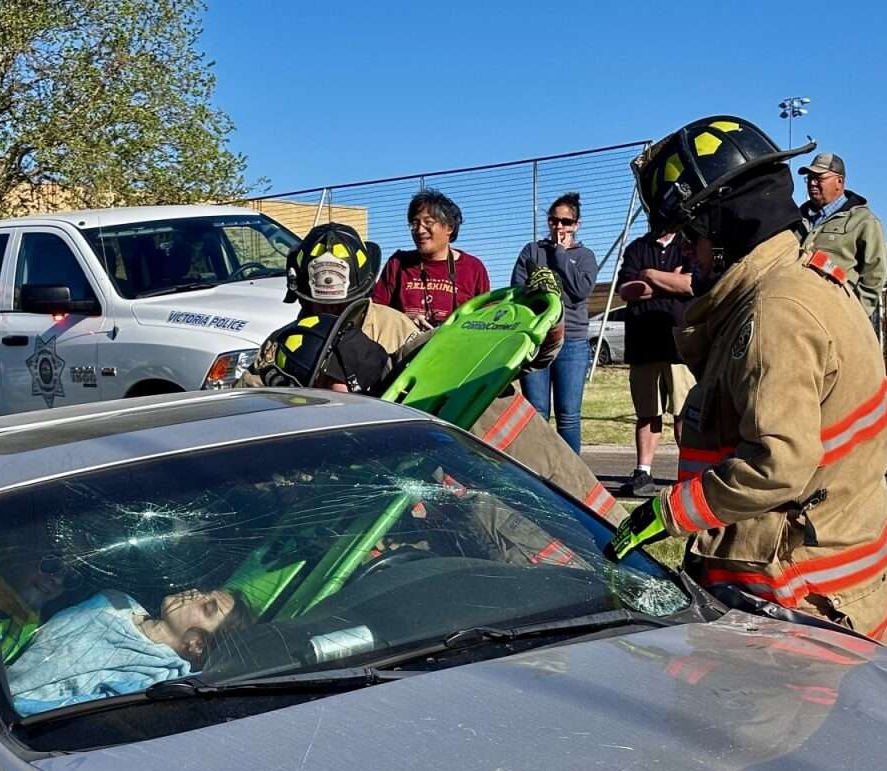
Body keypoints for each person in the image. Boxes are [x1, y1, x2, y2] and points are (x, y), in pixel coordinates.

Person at [608, 116, 887, 646]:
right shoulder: (800, 278)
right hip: (841, 574)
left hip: (800, 598)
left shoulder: (775, 314)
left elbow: (778, 465)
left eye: (694, 238)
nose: (690, 254)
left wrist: (670, 510)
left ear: (722, 231)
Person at [246, 222, 623, 525]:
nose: (329, 318)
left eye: (342, 309)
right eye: (318, 307)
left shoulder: (395, 329)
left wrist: (545, 324)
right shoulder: (277, 352)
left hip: (450, 486)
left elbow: (486, 359)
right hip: (342, 507)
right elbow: (243, 431)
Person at [5, 587, 247, 711]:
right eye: (205, 593)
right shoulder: (114, 600)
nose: (196, 594)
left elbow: (57, 714)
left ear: (196, 645)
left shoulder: (154, 682)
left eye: (208, 608)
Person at [511, 193, 599, 453]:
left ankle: (571, 476)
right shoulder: (532, 250)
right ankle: (538, 470)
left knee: (569, 413)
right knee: (536, 411)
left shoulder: (585, 256)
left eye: (566, 222)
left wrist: (560, 254)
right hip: (539, 338)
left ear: (576, 225)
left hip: (572, 339)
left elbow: (580, 291)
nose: (559, 227)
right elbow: (518, 287)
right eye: (554, 221)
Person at [616, 229, 695, 496]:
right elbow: (626, 290)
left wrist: (648, 276)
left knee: (684, 412)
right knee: (647, 412)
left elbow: (691, 283)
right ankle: (643, 473)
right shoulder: (637, 248)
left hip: (679, 345)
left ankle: (687, 475)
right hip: (643, 343)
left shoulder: (689, 243)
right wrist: (669, 280)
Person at [372, 191, 491, 329]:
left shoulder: (473, 268)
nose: (420, 230)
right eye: (414, 223)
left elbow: (485, 319)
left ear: (449, 227)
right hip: (405, 347)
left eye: (428, 222)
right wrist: (405, 320)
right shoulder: (398, 263)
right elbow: (375, 312)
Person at [797, 152, 887, 319]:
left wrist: (856, 314)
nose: (812, 183)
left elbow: (875, 273)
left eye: (819, 178)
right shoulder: (796, 218)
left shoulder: (864, 221)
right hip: (798, 312)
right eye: (809, 178)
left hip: (837, 316)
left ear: (839, 182)